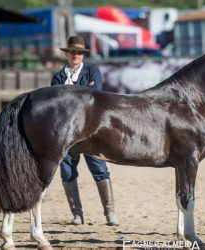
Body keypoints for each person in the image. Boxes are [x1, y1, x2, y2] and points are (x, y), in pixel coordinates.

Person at [51, 36, 119, 226]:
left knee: (99, 168)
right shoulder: (57, 77)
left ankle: (110, 213)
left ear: (83, 55)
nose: (76, 55)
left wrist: (69, 92)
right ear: (67, 54)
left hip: (90, 131)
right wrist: (81, 91)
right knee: (67, 172)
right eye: (73, 52)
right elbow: (56, 104)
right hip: (66, 132)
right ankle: (77, 214)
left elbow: (95, 96)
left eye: (79, 52)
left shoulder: (92, 71)